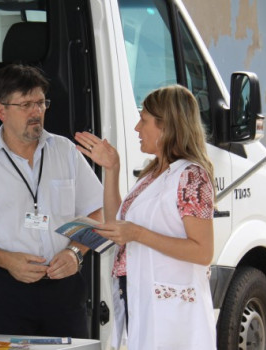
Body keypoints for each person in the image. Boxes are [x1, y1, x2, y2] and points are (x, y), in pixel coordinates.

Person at [0, 64, 103, 337]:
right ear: (1, 111)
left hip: (64, 285)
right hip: (7, 288)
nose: (36, 112)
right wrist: (6, 260)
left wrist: (76, 252)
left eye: (40, 103)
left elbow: (98, 214)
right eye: (26, 104)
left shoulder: (65, 152)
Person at [75, 84, 216, 349]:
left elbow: (203, 251)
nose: (137, 128)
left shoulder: (191, 176)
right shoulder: (153, 174)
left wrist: (137, 234)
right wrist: (111, 169)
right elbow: (117, 224)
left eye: (144, 120)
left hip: (171, 312)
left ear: (166, 126)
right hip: (139, 295)